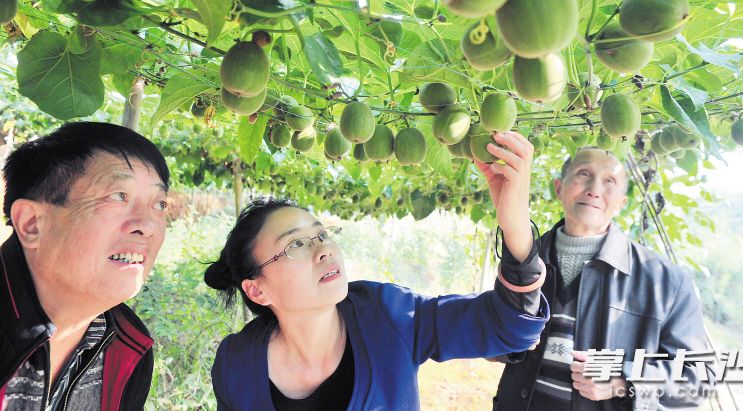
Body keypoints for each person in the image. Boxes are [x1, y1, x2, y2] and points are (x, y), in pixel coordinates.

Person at [204, 131, 549, 410]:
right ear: (256, 290)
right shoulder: (235, 365)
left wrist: (516, 228)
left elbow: (511, 327)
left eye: (322, 234)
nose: (324, 249)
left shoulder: (390, 317)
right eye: (296, 244)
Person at [493, 147, 716, 410]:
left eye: (609, 181)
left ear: (621, 202)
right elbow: (498, 337)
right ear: (558, 188)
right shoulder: (524, 259)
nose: (594, 189)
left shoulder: (666, 281)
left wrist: (623, 380)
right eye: (583, 173)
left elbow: (700, 379)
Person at [0, 122, 170, 411]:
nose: (148, 226)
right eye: (119, 196)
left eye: (159, 204)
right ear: (31, 223)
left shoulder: (128, 346)